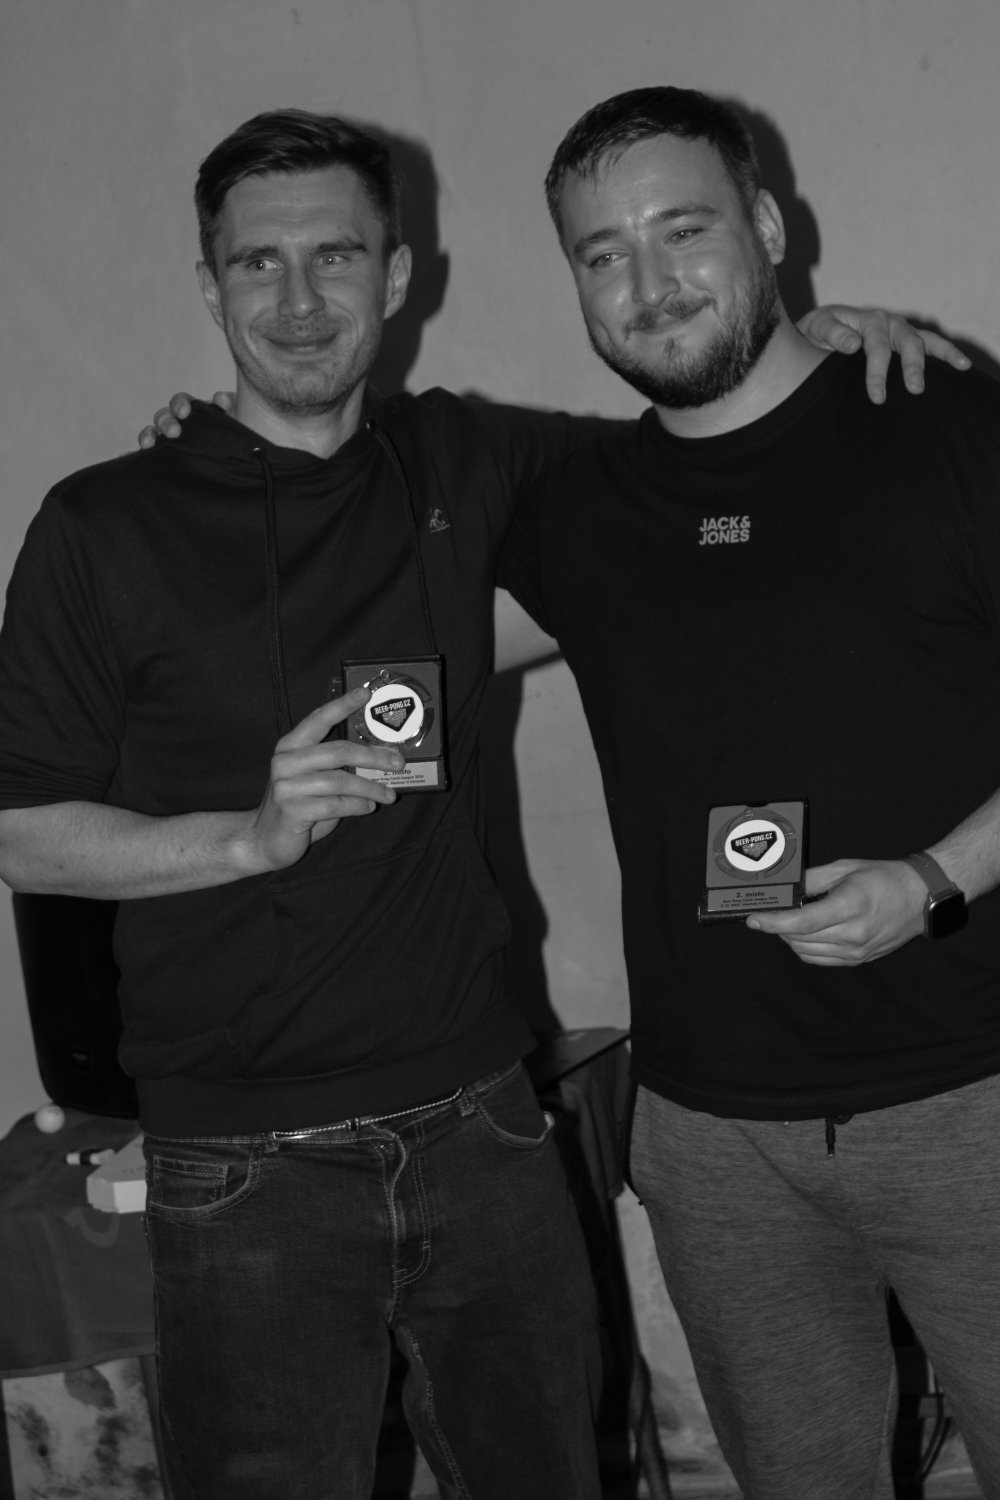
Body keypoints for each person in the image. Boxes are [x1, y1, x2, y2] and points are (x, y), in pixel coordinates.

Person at [1, 107, 955, 1499]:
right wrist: (245, 840)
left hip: (486, 1131)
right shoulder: (102, 525)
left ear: (398, 277)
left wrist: (814, 340)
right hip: (243, 1161)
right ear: (209, 286)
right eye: (258, 263)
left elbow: (697, 440)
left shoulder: (465, 460)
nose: (299, 299)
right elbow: (22, 831)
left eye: (337, 256)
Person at [496, 85, 1000, 1500]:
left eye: (684, 230)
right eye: (603, 253)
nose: (649, 284)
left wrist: (937, 879)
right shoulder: (578, 512)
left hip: (975, 1096)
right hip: (714, 1139)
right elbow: (390, 622)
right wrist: (233, 450)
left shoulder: (952, 430)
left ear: (769, 227)